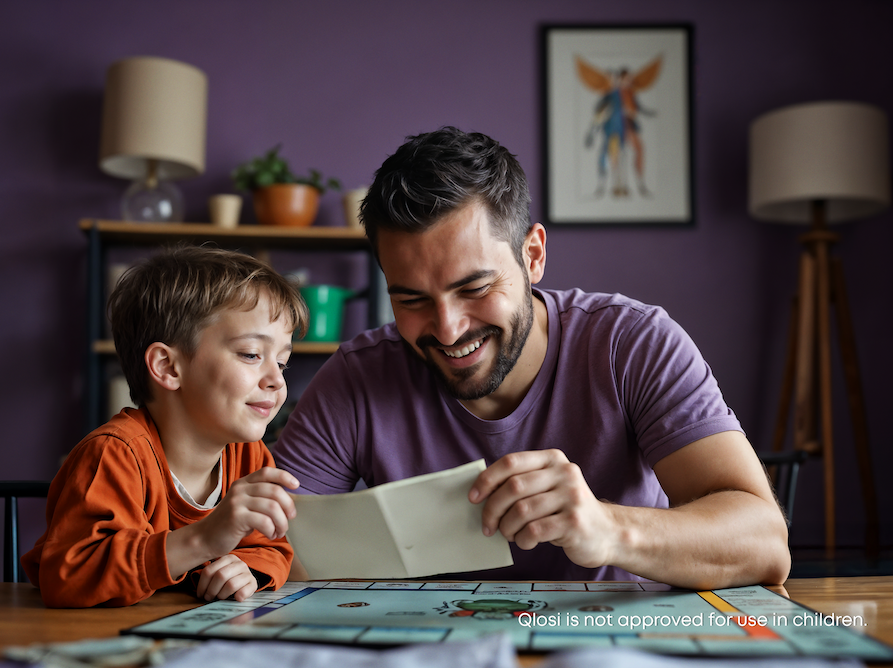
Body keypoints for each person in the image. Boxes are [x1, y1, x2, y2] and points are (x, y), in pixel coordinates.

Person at [273, 127, 790, 590]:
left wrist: (609, 530)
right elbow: (266, 545)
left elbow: (764, 542)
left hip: (622, 644)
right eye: (411, 300)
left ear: (533, 255)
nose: (448, 329)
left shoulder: (632, 343)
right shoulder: (357, 377)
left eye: (474, 287)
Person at [22, 246, 306, 607]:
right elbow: (69, 576)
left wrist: (246, 568)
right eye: (251, 354)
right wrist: (203, 540)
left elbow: (271, 547)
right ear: (168, 367)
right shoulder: (114, 454)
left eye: (282, 363)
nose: (276, 381)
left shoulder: (249, 456)